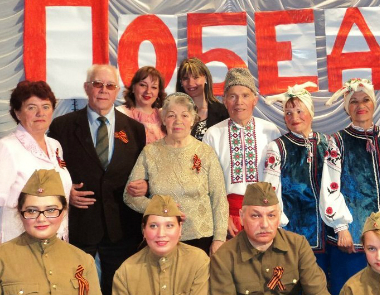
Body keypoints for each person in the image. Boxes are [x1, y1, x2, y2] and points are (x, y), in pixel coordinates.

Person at [48, 64, 146, 295]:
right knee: (74, 287)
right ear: (86, 88)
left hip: (122, 226)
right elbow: (51, 170)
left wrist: (146, 184)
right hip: (80, 224)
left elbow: (144, 171)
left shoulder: (135, 129)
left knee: (119, 288)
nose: (103, 90)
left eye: (110, 85)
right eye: (97, 84)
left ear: (117, 91)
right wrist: (66, 192)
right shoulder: (62, 126)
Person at [0, 80, 72, 252]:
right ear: (17, 113)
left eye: (46, 106)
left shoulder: (54, 146)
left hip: (54, 246)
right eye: (31, 107)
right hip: (15, 250)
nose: (40, 113)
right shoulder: (4, 149)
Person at [124, 92, 228, 255]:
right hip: (160, 238)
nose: (178, 121)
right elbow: (129, 196)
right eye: (171, 115)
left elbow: (219, 198)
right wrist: (159, 208)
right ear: (163, 120)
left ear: (193, 120)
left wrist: (219, 238)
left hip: (201, 239)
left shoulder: (206, 153)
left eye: (184, 115)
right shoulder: (150, 152)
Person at [0, 169, 101, 295]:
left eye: (51, 210)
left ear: (64, 212)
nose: (41, 219)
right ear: (20, 213)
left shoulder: (83, 261)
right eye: (32, 211)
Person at [321, 78, 380, 294]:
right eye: (354, 101)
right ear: (347, 108)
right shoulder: (338, 141)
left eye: (365, 100)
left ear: (373, 103)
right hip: (351, 238)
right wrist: (341, 227)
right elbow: (330, 186)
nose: (360, 106)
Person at [210, 182, 329, 295]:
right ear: (241, 217)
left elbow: (318, 291)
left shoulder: (298, 246)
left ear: (279, 217)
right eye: (256, 216)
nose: (265, 224)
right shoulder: (224, 257)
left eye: (271, 215)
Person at [203, 67, 282, 237]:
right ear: (224, 100)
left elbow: (280, 178)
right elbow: (207, 182)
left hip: (265, 212)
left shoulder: (271, 131)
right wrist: (222, 216)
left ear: (255, 100)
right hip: (229, 215)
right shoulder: (213, 134)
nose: (239, 102)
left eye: (245, 95)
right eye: (233, 96)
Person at [262, 82, 329, 270]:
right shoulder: (277, 148)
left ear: (310, 112)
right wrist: (278, 226)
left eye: (300, 111)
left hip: (326, 233)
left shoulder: (327, 143)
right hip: (292, 230)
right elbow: (271, 192)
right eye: (288, 113)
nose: (294, 117)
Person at [113, 195, 210, 295]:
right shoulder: (126, 272)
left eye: (169, 225)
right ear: (144, 230)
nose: (161, 234)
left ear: (180, 228)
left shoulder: (198, 261)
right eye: (153, 226)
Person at [176, 57, 228, 141]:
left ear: (206, 78)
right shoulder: (174, 112)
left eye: (196, 77)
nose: (190, 83)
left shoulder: (223, 112)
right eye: (185, 78)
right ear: (181, 82)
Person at [117, 65, 166, 144]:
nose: (148, 91)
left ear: (158, 92)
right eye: (143, 85)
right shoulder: (120, 113)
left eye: (154, 87)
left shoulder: (163, 116)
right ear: (133, 88)